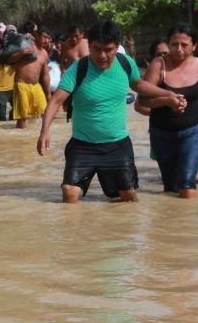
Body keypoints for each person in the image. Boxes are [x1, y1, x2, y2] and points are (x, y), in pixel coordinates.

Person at [36, 19, 186, 204]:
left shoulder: (125, 63)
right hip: (82, 146)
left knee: (129, 199)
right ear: (89, 46)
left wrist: (168, 93)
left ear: (117, 47)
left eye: (108, 50)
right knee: (69, 192)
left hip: (117, 145)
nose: (102, 55)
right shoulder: (79, 69)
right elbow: (55, 101)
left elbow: (138, 85)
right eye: (96, 49)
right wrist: (44, 131)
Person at [136, 24, 198, 199]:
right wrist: (166, 101)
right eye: (174, 44)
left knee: (187, 186)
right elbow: (142, 100)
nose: (179, 49)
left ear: (194, 46)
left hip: (194, 131)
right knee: (170, 187)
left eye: (185, 45)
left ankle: (191, 223)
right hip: (162, 133)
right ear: (168, 44)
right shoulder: (159, 65)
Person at [12, 35, 50, 129]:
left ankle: (41, 134)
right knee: (22, 116)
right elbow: (10, 60)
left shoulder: (44, 53)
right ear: (37, 36)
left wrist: (48, 93)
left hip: (36, 86)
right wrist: (21, 53)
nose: (46, 40)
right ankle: (20, 137)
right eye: (44, 37)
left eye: (48, 38)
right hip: (21, 85)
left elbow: (45, 74)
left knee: (44, 111)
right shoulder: (25, 46)